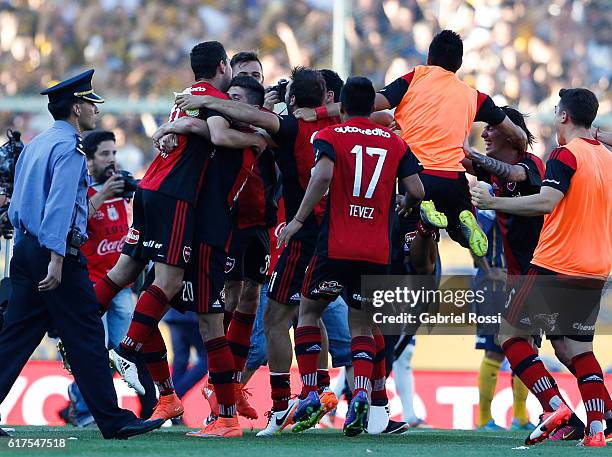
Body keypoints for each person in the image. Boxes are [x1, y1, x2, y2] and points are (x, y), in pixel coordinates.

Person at [105, 41, 266, 435]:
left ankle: (226, 409)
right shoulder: (217, 117)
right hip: (187, 220)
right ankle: (169, 397)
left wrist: (178, 123)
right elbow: (205, 126)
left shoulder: (254, 131)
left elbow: (214, 128)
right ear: (224, 68)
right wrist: (173, 125)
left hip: (217, 233)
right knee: (159, 294)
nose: (228, 102)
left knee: (212, 318)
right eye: (229, 95)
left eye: (238, 99)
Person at [176, 66, 342, 436]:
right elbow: (376, 111)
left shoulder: (291, 128)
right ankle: (319, 390)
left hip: (301, 233)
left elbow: (249, 116)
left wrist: (201, 101)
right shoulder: (339, 126)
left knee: (276, 319)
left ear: (293, 100)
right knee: (310, 312)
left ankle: (282, 406)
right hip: (336, 236)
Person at [0, 69, 163, 439]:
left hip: (27, 250)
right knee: (88, 335)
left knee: (17, 336)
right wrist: (57, 256)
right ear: (76, 108)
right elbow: (60, 206)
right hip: (54, 254)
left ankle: (110, 416)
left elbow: (18, 206)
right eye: (91, 103)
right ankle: (113, 419)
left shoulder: (37, 143)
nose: (95, 111)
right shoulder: (70, 149)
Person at [295, 30, 528, 273]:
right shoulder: (474, 96)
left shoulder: (415, 77)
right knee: (461, 229)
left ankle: (425, 225)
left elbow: (368, 103)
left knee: (415, 259)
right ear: (459, 64)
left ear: (429, 57)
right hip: (453, 179)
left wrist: (318, 113)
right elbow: (517, 134)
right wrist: (523, 153)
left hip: (415, 176)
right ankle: (461, 219)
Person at [278, 76, 425, 436]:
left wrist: (297, 220)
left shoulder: (330, 136)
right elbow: (417, 190)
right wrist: (401, 206)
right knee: (363, 325)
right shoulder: (394, 142)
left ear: (341, 107)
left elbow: (323, 176)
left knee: (308, 312)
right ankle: (360, 394)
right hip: (375, 248)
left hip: (336, 244)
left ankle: (312, 391)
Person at [471, 88, 612, 447]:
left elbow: (548, 201)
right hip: (594, 268)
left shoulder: (564, 155)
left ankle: (554, 406)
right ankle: (598, 428)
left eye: (556, 111)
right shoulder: (606, 158)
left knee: (509, 336)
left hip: (556, 263)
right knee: (579, 351)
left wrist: (494, 200)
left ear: (564, 116)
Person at [462, 107, 544, 432]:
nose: (483, 135)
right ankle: (485, 420)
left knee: (529, 346)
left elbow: (513, 175)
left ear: (511, 134)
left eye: (490, 129)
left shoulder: (532, 166)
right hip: (494, 278)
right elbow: (460, 160)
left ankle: (523, 416)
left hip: (531, 275)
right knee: (497, 348)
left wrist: (472, 157)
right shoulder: (490, 177)